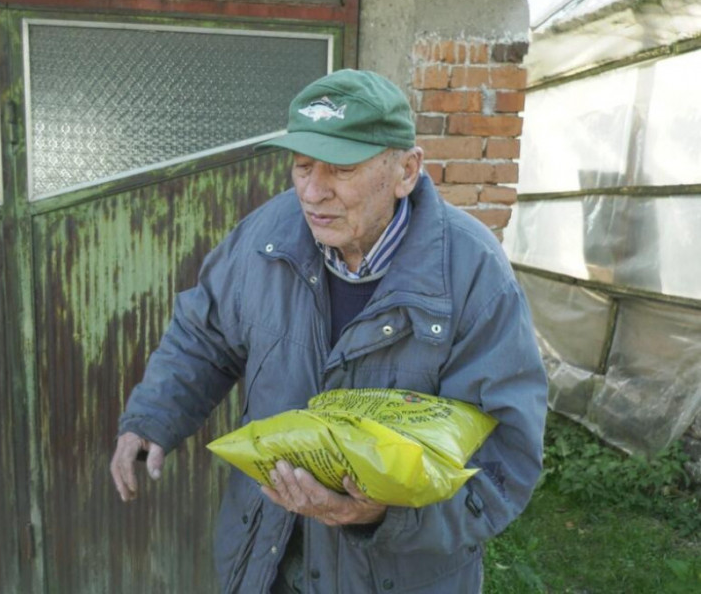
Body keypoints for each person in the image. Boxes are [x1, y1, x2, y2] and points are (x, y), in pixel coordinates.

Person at [110, 69, 548, 593]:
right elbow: (203, 336)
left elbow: (504, 457)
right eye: (301, 166)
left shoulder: (472, 272)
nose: (313, 192)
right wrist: (154, 417)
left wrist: (380, 515)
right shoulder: (265, 236)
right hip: (264, 559)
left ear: (406, 170)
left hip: (396, 576)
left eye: (341, 168)